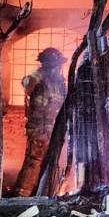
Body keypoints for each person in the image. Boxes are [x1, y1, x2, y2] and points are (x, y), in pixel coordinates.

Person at [13, 47, 67, 196]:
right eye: (54, 65)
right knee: (34, 161)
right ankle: (21, 196)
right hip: (39, 129)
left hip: (55, 129)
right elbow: (26, 83)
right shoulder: (37, 78)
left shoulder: (60, 83)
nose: (57, 68)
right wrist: (40, 73)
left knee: (52, 162)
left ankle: (44, 193)